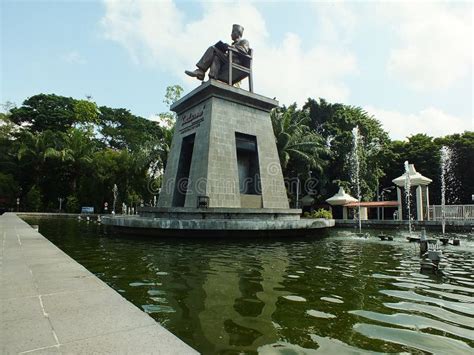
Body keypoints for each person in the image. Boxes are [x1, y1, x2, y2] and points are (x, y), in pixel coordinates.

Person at [185, 24, 250, 81]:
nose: (231, 34)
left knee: (212, 49)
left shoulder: (244, 41)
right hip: (228, 59)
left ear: (238, 33)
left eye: (232, 32)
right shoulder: (233, 44)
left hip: (235, 62)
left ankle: (201, 71)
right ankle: (212, 78)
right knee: (216, 57)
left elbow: (244, 51)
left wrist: (230, 47)